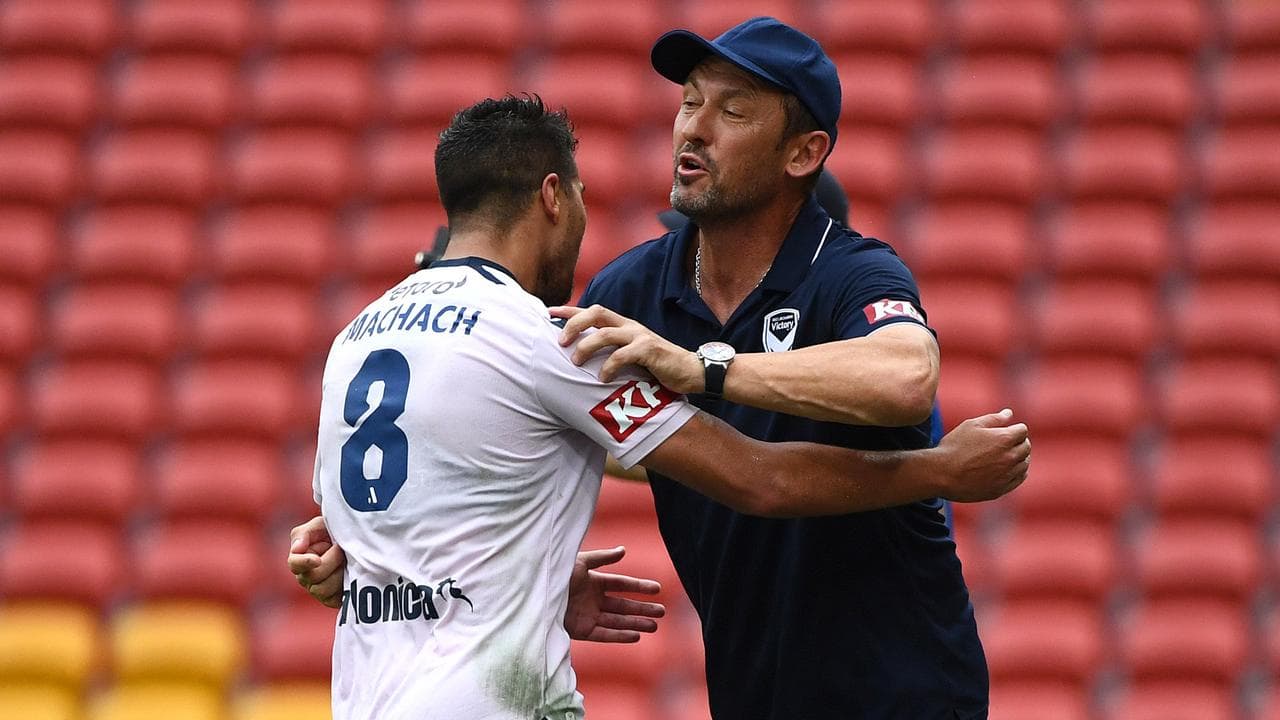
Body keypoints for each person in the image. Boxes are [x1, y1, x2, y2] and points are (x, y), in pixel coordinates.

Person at [302, 92, 1028, 720]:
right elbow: (757, 477)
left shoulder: (353, 339)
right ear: (554, 196)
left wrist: (521, 578)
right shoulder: (549, 339)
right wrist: (941, 470)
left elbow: (384, 520)